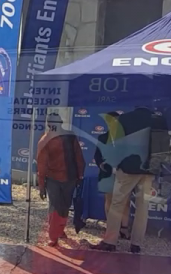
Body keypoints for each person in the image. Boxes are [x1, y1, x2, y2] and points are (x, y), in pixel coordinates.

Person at [94, 107, 161, 253]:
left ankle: (110, 242)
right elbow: (162, 148)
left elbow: (117, 145)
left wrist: (116, 164)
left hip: (128, 169)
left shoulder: (124, 119)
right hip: (149, 170)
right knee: (143, 207)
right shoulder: (159, 120)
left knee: (117, 204)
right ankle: (136, 244)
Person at [36, 114, 85, 247]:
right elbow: (79, 158)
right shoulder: (66, 137)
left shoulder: (47, 139)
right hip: (64, 178)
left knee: (60, 206)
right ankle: (54, 235)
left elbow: (41, 165)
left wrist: (41, 185)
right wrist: (80, 175)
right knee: (59, 206)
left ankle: (57, 232)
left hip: (62, 178)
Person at [94, 112, 131, 239]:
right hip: (107, 174)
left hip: (124, 173)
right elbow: (97, 155)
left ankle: (124, 228)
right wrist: (100, 164)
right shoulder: (102, 137)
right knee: (109, 200)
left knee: (125, 201)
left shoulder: (127, 138)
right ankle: (111, 228)